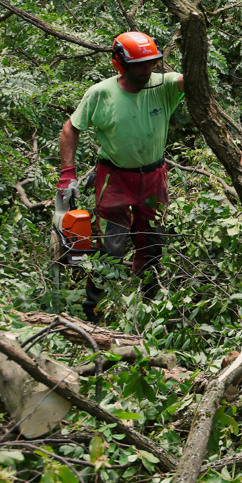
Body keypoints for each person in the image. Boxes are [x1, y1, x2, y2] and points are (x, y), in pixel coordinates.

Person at [56, 31, 186, 323]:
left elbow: (192, 81)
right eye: (139, 65)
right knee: (111, 248)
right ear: (121, 64)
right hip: (114, 178)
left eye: (150, 63)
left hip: (153, 178)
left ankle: (150, 309)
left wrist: (194, 42)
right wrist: (68, 173)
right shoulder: (101, 93)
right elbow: (70, 129)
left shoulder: (162, 86)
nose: (146, 70)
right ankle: (92, 312)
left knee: (152, 244)